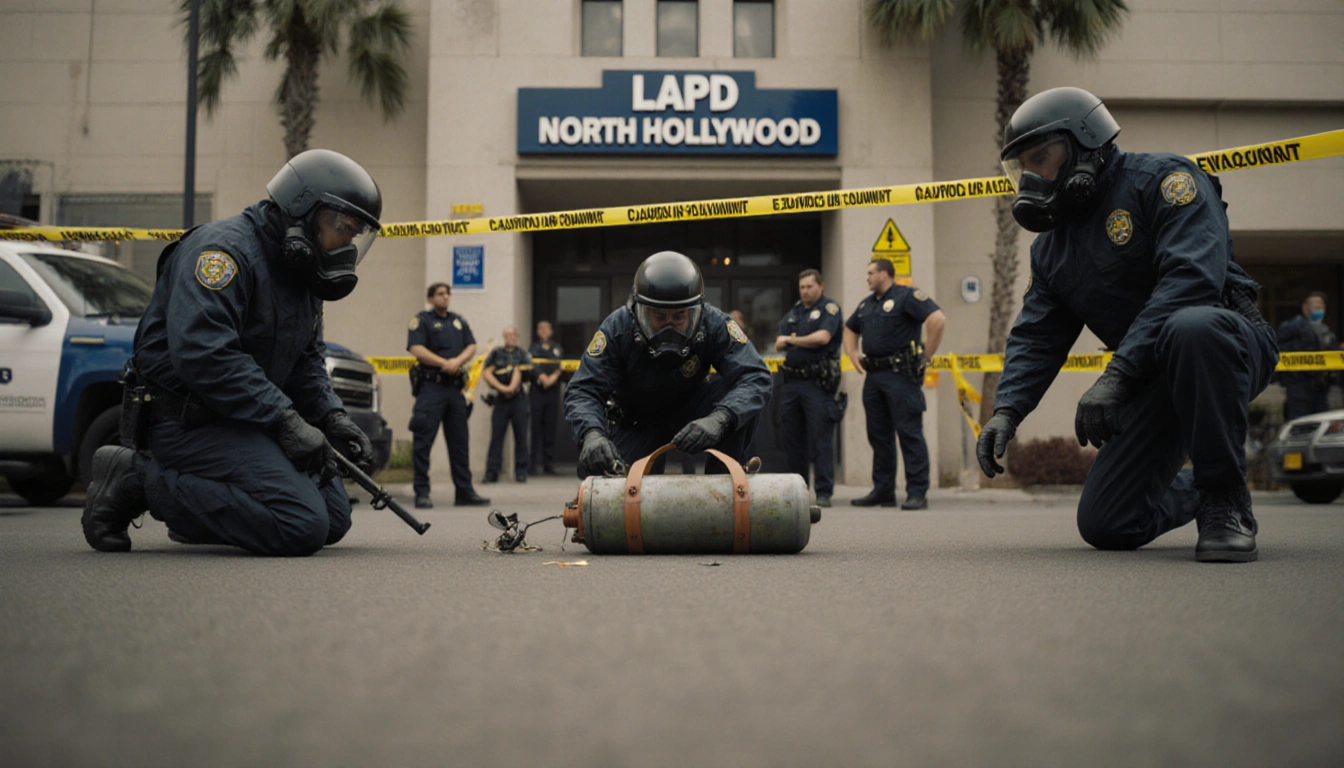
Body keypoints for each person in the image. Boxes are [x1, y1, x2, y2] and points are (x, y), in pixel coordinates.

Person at [976, 86, 1278, 563]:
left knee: (1192, 326)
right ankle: (1204, 489)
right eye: (1022, 169)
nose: (1033, 178)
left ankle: (1226, 501)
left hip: (1224, 346)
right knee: (1107, 523)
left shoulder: (1165, 181)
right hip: (1149, 374)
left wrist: (1117, 376)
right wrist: (1006, 412)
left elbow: (1191, 282)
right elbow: (1037, 336)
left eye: (1041, 158)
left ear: (1085, 143)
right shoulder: (1052, 249)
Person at [81, 149, 383, 556]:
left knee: (334, 517)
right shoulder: (223, 253)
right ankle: (135, 479)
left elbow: (307, 360)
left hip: (245, 418)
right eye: (343, 228)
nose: (346, 244)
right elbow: (204, 354)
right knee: (302, 524)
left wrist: (333, 417)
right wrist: (285, 421)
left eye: (354, 235)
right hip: (187, 420)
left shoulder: (301, 270)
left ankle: (202, 512)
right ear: (303, 210)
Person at [564, 250, 772, 477]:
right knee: (601, 480)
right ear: (640, 312)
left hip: (696, 413)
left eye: (679, 318)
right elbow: (583, 389)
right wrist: (592, 434)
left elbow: (755, 376)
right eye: (659, 317)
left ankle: (725, 485)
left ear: (695, 313)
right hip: (637, 420)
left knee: (736, 396)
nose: (669, 327)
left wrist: (720, 420)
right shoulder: (617, 328)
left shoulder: (714, 324)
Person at [842, 259, 946, 509]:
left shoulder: (906, 296)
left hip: (901, 375)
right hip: (874, 377)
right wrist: (852, 354)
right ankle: (883, 490)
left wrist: (926, 356)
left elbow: (937, 319)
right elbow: (849, 328)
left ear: (885, 274)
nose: (867, 277)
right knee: (879, 437)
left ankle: (917, 492)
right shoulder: (867, 304)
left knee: (909, 434)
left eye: (870, 273)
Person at [407, 283, 490, 508]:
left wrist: (457, 361)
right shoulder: (421, 321)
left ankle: (464, 492)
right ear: (431, 297)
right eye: (440, 294)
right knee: (423, 442)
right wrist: (445, 362)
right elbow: (416, 349)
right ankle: (422, 492)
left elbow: (471, 345)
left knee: (460, 442)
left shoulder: (458, 321)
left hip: (454, 390)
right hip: (431, 388)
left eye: (447, 294)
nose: (445, 297)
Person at [775, 269, 844, 507]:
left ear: (821, 286)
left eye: (809, 287)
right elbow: (777, 341)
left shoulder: (829, 309)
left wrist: (793, 340)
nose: (805, 291)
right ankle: (799, 489)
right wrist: (797, 340)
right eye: (802, 287)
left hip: (817, 383)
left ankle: (824, 492)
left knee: (821, 437)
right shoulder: (795, 311)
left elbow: (823, 338)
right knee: (792, 438)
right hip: (792, 383)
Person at [1277, 292, 1338, 421]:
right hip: (1299, 387)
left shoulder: (1325, 331)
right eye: (1316, 307)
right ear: (1306, 308)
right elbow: (1279, 349)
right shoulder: (1293, 326)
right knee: (1300, 425)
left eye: (1322, 307)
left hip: (1321, 388)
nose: (1320, 310)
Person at [482, 325, 531, 483]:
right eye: (507, 335)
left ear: (517, 336)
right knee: (497, 437)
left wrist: (511, 388)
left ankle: (521, 471)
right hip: (501, 399)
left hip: (518, 399)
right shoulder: (496, 353)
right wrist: (503, 389)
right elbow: (486, 373)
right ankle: (492, 472)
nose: (510, 337)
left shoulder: (522, 354)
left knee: (521, 436)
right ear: (504, 337)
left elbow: (520, 371)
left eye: (513, 335)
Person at [528, 320, 563, 476]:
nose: (543, 330)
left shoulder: (557, 348)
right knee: (535, 427)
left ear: (551, 331)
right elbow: (532, 365)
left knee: (550, 427)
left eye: (546, 328)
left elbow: (561, 366)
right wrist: (542, 377)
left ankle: (548, 464)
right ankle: (533, 464)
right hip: (537, 391)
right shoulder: (533, 348)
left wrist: (552, 378)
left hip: (552, 392)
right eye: (540, 328)